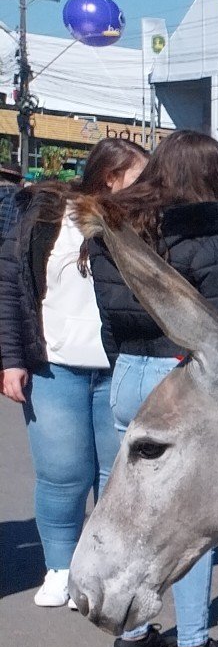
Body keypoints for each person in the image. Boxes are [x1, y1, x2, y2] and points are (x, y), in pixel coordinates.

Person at [86, 128, 218, 647]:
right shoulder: (205, 235)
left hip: (130, 372)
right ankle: (192, 644)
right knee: (193, 516)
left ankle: (130, 632)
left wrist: (128, 364)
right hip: (183, 378)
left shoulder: (115, 229)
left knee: (135, 507)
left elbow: (110, 318)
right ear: (206, 174)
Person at [1, 137, 151, 608]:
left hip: (121, 366)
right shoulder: (45, 217)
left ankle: (101, 569)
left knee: (116, 477)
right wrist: (11, 360)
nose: (148, 185)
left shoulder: (140, 222)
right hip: (55, 367)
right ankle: (60, 567)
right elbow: (10, 286)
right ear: (111, 177)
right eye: (139, 176)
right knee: (63, 474)